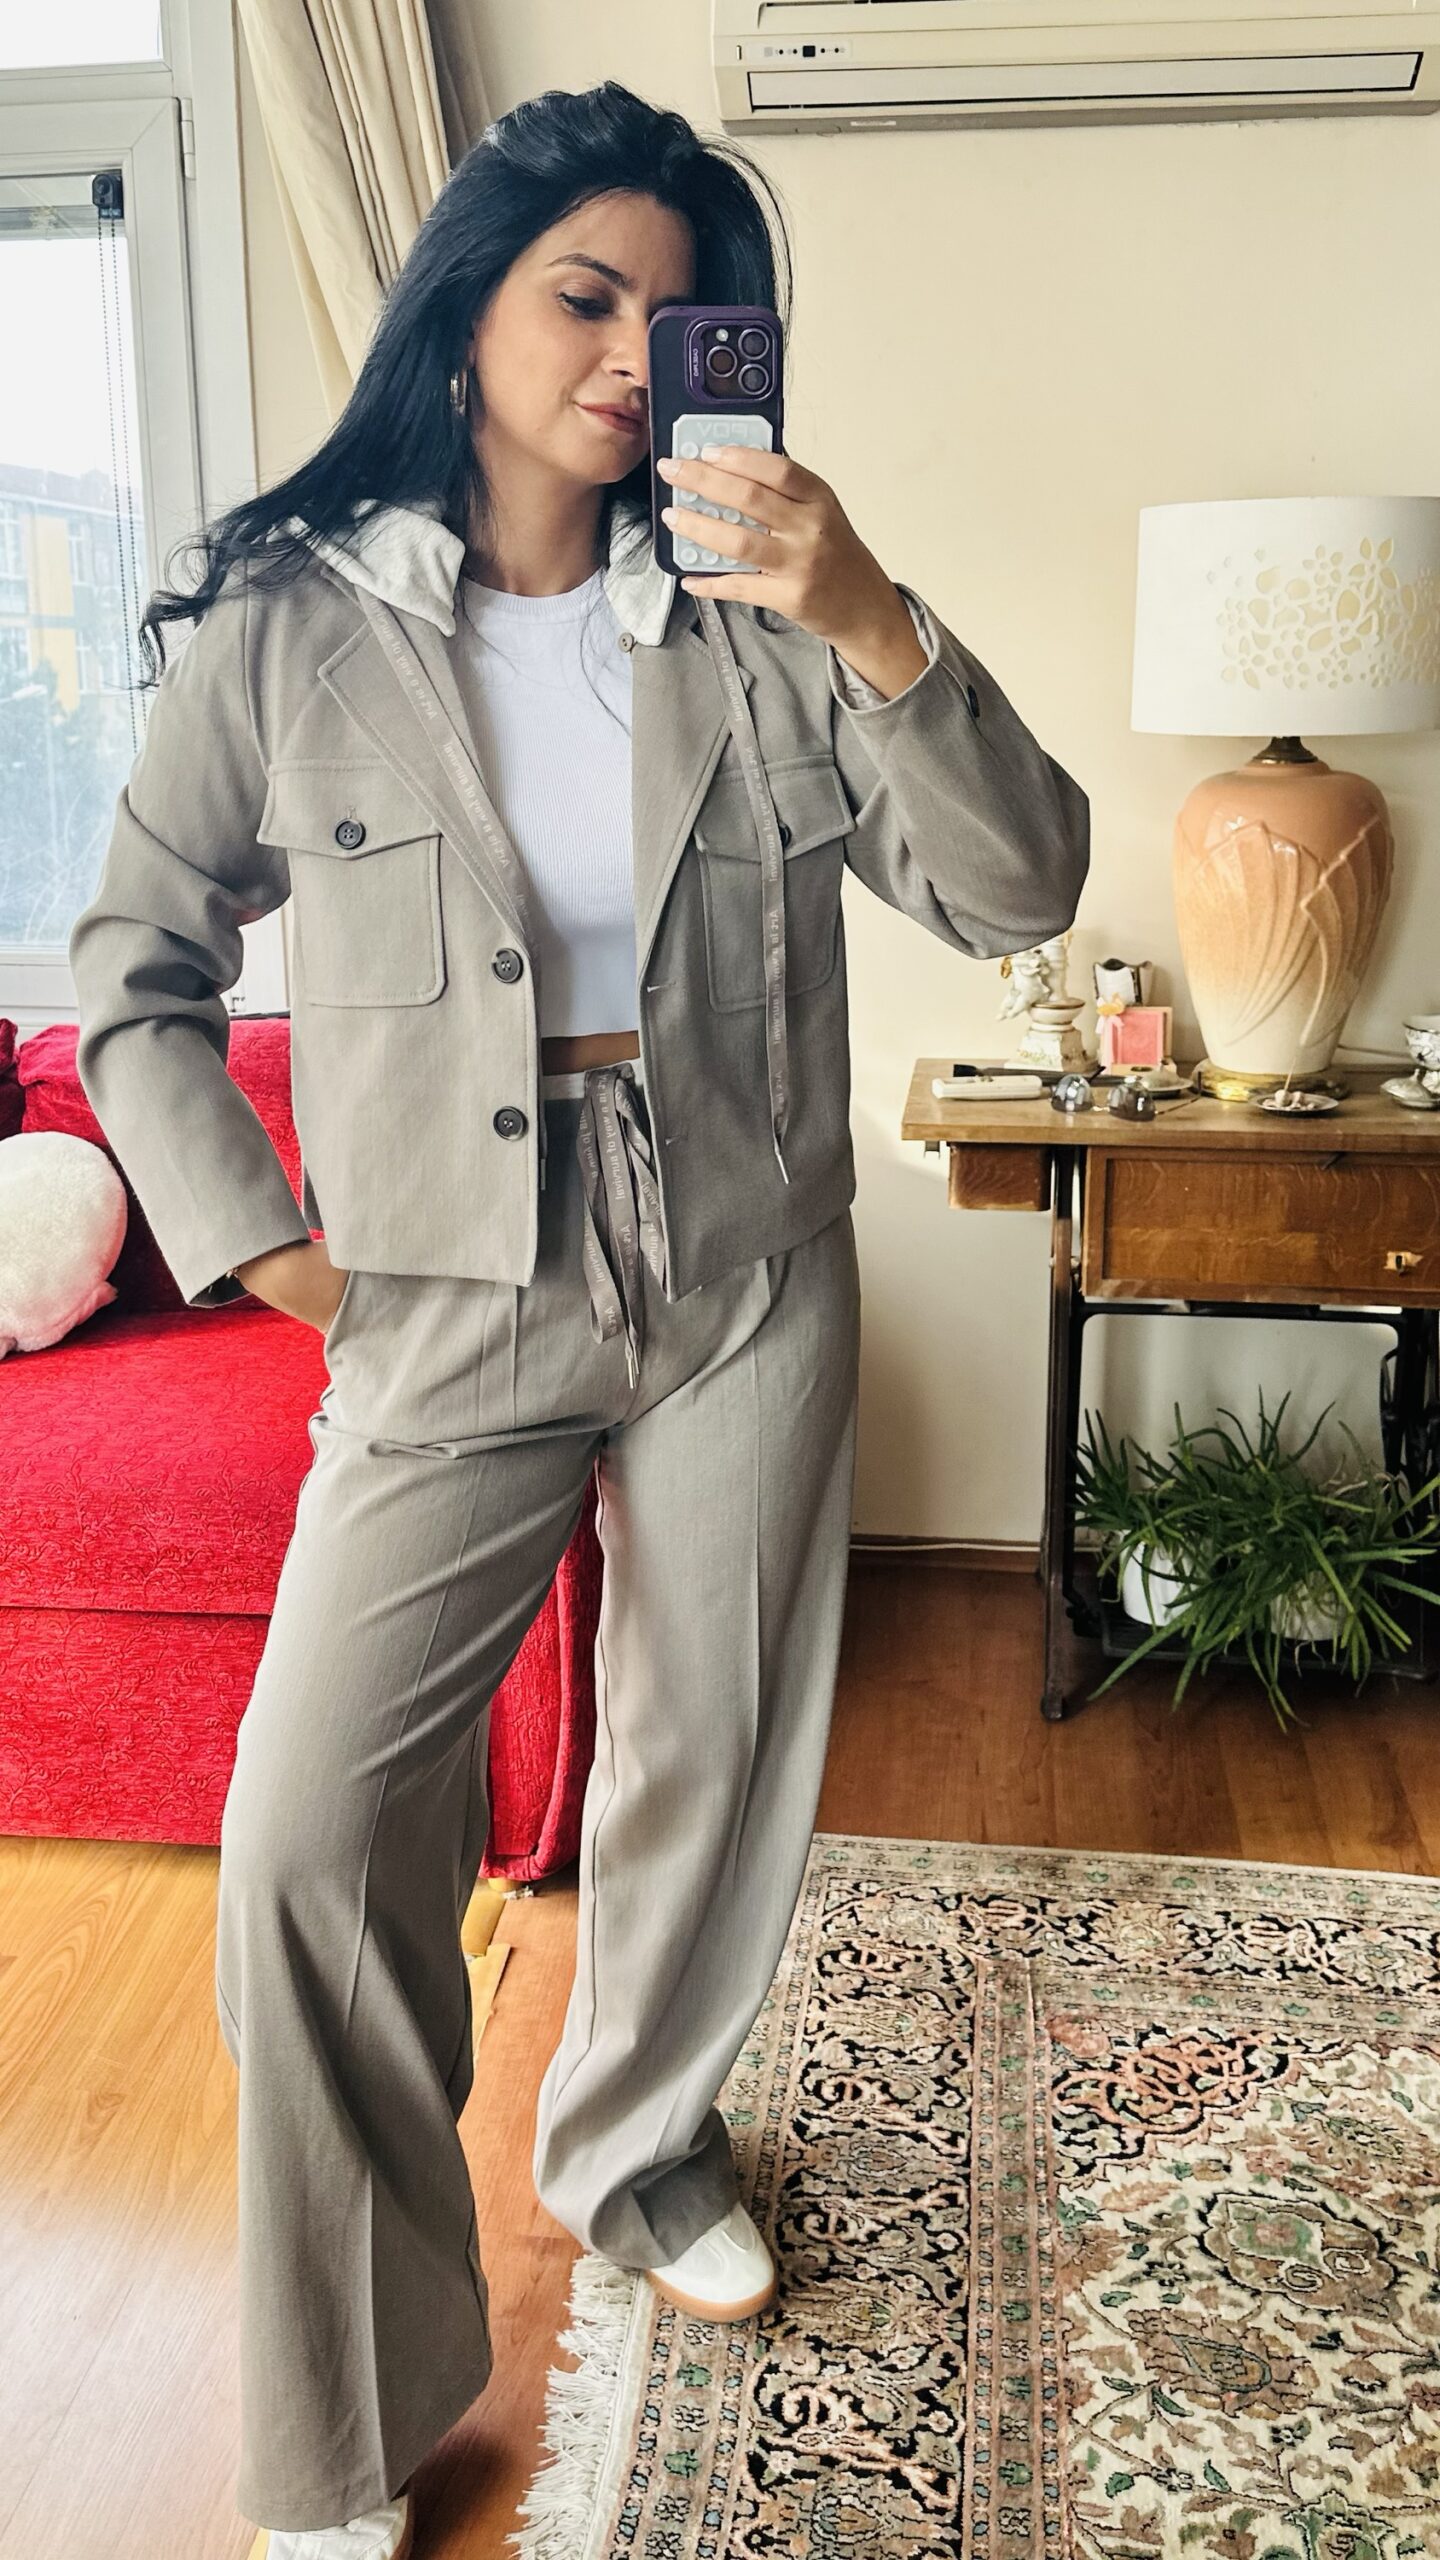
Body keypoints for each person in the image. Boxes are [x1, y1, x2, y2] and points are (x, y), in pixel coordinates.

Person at [68, 78, 1089, 2560]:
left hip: (742, 1246)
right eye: (586, 295)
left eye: (682, 312)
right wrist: (263, 1243)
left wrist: (870, 608)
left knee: (706, 1753)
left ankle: (631, 2143)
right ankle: (350, 2399)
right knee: (315, 1832)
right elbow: (133, 972)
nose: (636, 353)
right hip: (447, 1278)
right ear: (469, 311)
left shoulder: (768, 611)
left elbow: (1022, 882)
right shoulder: (293, 623)